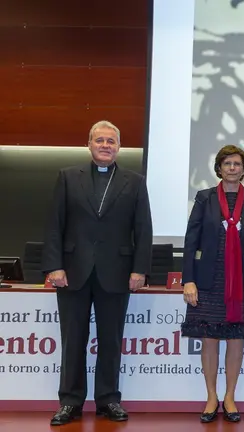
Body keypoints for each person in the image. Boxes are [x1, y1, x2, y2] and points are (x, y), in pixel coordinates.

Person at [42, 120, 153, 426]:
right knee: (73, 339)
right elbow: (54, 225)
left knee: (111, 340)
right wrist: (54, 265)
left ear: (119, 147)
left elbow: (143, 230)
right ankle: (70, 401)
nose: (106, 145)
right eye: (100, 140)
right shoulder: (67, 177)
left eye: (111, 141)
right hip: (72, 272)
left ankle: (108, 399)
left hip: (116, 272)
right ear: (89, 144)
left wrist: (139, 269)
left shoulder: (134, 181)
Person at [180, 145, 244, 424]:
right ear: (219, 168)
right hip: (209, 279)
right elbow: (190, 241)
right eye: (227, 163)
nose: (232, 168)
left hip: (243, 281)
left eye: (237, 163)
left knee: (236, 340)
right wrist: (188, 280)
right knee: (209, 340)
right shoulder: (204, 198)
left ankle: (230, 396)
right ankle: (211, 396)